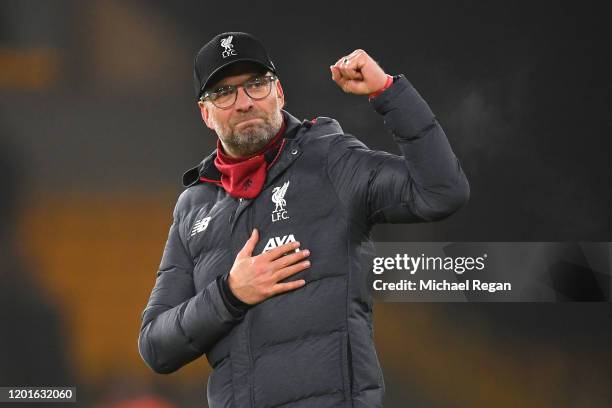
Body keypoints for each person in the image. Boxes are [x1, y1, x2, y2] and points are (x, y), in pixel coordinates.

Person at [138, 32, 469, 407]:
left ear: (279, 92)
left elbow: (442, 192)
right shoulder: (193, 205)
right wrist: (230, 293)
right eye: (224, 93)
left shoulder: (331, 160)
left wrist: (388, 93)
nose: (244, 103)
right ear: (205, 113)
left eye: (256, 85)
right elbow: (155, 346)